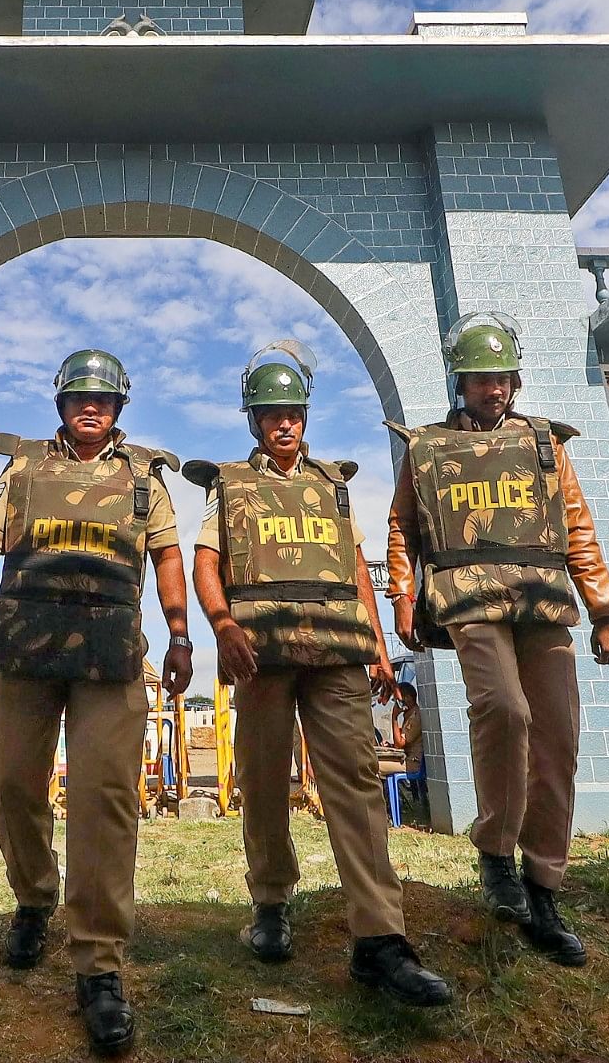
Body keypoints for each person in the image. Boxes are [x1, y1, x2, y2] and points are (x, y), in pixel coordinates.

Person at [187, 342, 451, 1007]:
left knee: (358, 785)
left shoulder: (332, 484)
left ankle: (381, 938)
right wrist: (221, 626)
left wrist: (379, 643)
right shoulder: (230, 485)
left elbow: (356, 563)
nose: (284, 424)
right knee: (264, 778)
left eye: (294, 413)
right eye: (271, 414)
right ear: (253, 420)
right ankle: (271, 903)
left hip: (336, 649)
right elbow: (205, 562)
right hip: (262, 651)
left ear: (306, 417)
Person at [0, 349, 190, 1056]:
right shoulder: (21, 469)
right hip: (26, 644)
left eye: (104, 399)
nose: (92, 407)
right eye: (81, 397)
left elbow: (169, 556)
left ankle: (100, 962)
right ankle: (32, 898)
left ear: (119, 408)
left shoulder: (145, 475)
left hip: (111, 654)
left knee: (105, 796)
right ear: (61, 404)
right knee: (9, 779)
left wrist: (179, 636)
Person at [384, 312, 609, 969]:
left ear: (515, 380)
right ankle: (495, 851)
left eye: (502, 379)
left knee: (557, 740)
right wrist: (403, 594)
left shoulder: (547, 444)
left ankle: (543, 886)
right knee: (503, 709)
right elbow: (402, 528)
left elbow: (578, 529)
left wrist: (605, 610)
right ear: (460, 382)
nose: (493, 390)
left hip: (543, 601)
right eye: (479, 379)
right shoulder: (428, 448)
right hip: (467, 598)